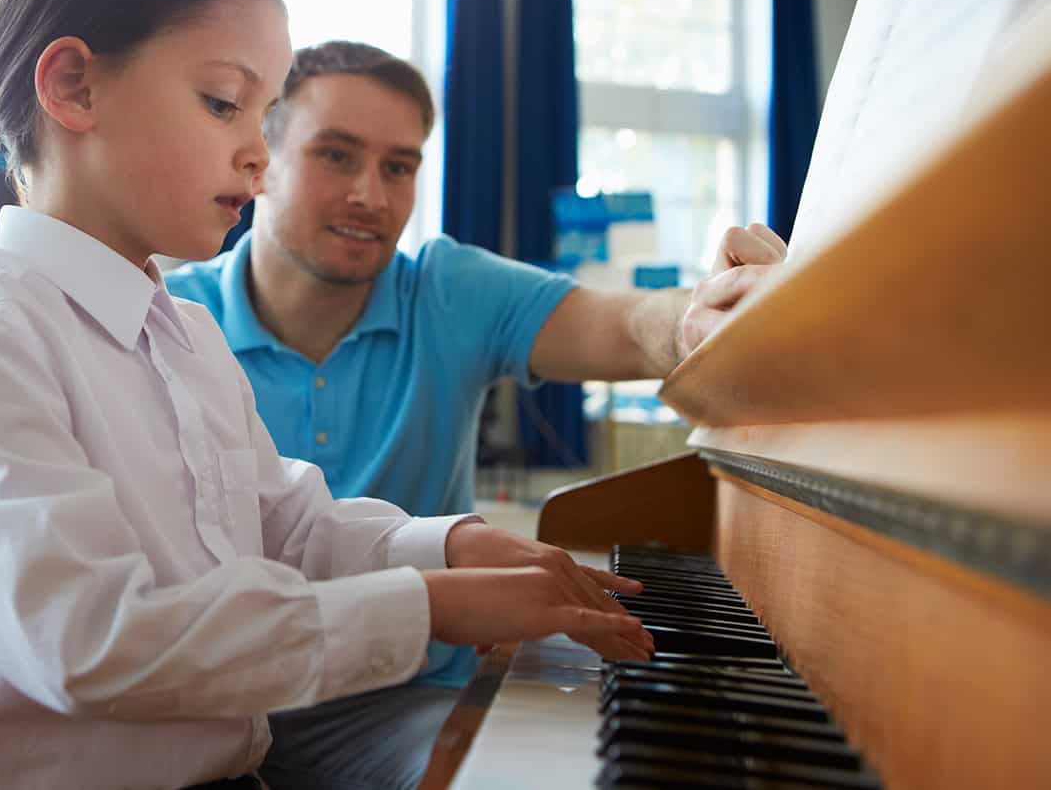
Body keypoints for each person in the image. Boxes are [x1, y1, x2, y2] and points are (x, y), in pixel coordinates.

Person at [0, 0, 654, 790]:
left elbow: (289, 524)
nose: (257, 155)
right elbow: (92, 641)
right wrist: (429, 603)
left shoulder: (184, 332)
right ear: (75, 87)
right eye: (223, 104)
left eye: (265, 113)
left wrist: (453, 546)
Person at [166, 40, 787, 788]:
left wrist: (696, 318)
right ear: (261, 158)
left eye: (398, 167)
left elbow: (623, 322)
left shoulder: (446, 287)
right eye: (335, 156)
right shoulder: (173, 319)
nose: (371, 194)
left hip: (396, 704)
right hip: (208, 704)